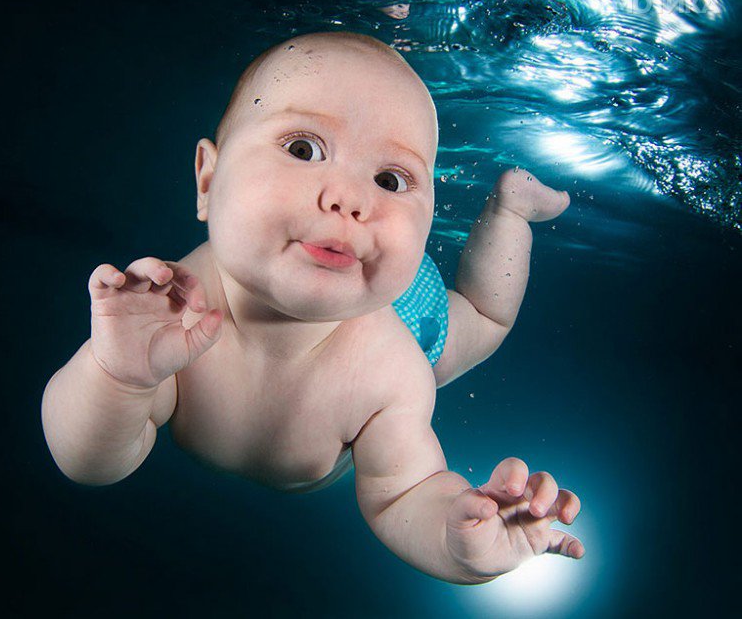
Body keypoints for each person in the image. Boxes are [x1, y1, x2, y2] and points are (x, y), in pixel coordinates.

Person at [41, 30, 583, 584]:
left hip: (405, 309)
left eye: (391, 180)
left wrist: (458, 536)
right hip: (356, 261)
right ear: (208, 179)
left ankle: (510, 208)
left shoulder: (391, 374)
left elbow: (403, 494)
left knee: (482, 318)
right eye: (303, 149)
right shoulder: (167, 316)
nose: (350, 198)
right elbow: (87, 462)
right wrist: (118, 376)